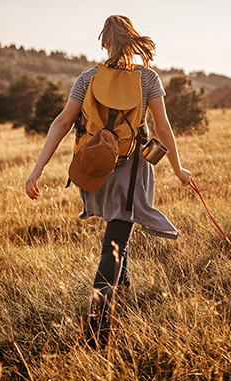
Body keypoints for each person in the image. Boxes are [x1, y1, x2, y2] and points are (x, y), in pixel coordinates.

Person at [25, 15, 191, 348]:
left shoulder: (87, 78)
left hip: (96, 171)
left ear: (105, 43)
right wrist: (177, 167)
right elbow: (162, 128)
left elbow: (62, 122)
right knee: (115, 241)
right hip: (131, 172)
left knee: (119, 229)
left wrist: (37, 168)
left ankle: (123, 286)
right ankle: (96, 328)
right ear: (132, 42)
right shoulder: (148, 79)